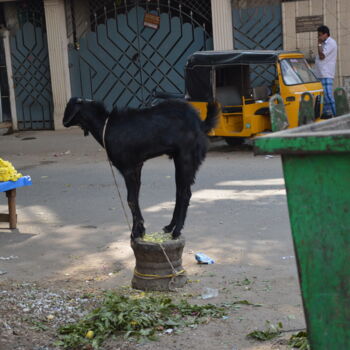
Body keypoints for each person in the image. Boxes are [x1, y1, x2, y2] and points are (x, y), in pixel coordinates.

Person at [315, 25, 337, 118]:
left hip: (326, 73)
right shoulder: (324, 43)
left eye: (320, 35)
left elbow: (322, 56)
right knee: (323, 97)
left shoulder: (331, 43)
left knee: (328, 96)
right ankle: (327, 116)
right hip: (320, 73)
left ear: (326, 34)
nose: (318, 37)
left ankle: (336, 116)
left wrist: (319, 44)